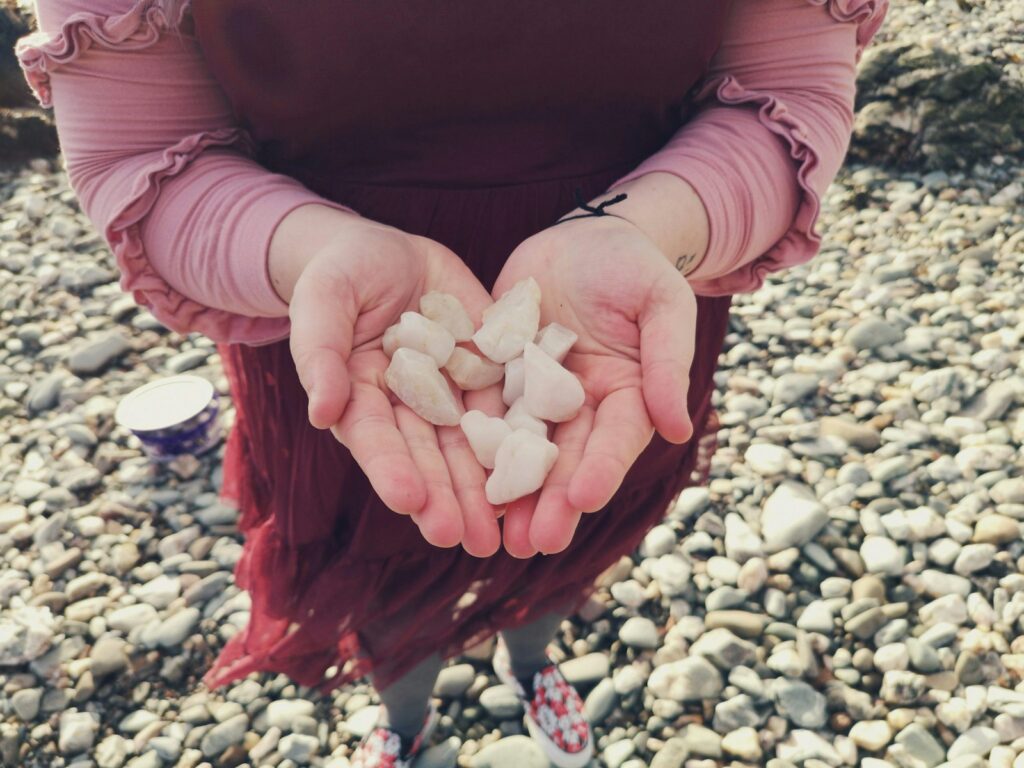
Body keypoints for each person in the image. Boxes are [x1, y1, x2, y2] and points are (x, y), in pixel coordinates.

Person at [16, 0, 888, 764]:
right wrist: (312, 254)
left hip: (620, 305)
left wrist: (654, 229)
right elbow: (146, 156)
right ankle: (406, 721)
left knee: (567, 530)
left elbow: (787, 96)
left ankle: (534, 661)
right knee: (375, 568)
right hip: (337, 312)